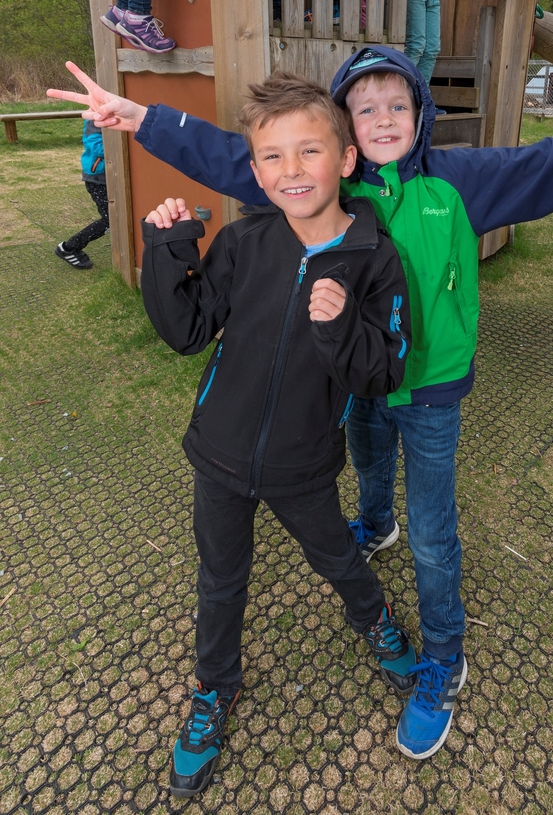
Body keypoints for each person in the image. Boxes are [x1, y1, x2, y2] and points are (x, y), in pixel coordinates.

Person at [48, 53, 553, 760]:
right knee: (365, 460)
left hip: (426, 391)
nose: (384, 117)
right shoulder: (328, 178)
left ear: (421, 116)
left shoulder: (459, 183)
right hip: (354, 378)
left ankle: (444, 661)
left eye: (399, 104)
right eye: (366, 106)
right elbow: (237, 156)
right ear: (346, 132)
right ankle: (374, 525)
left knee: (433, 533)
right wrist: (140, 117)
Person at [139, 73, 416, 797]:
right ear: (256, 169)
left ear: (347, 159)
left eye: (308, 152)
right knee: (221, 579)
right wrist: (168, 252)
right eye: (271, 157)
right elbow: (188, 330)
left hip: (302, 463)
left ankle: (375, 620)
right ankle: (213, 689)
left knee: (336, 556)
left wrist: (340, 328)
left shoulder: (376, 259)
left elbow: (383, 371)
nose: (290, 171)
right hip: (220, 453)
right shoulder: (242, 240)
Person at [54, 120, 109, 270]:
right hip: (98, 179)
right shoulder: (95, 119)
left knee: (115, 218)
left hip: (110, 176)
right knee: (110, 219)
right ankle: (69, 248)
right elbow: (95, 145)